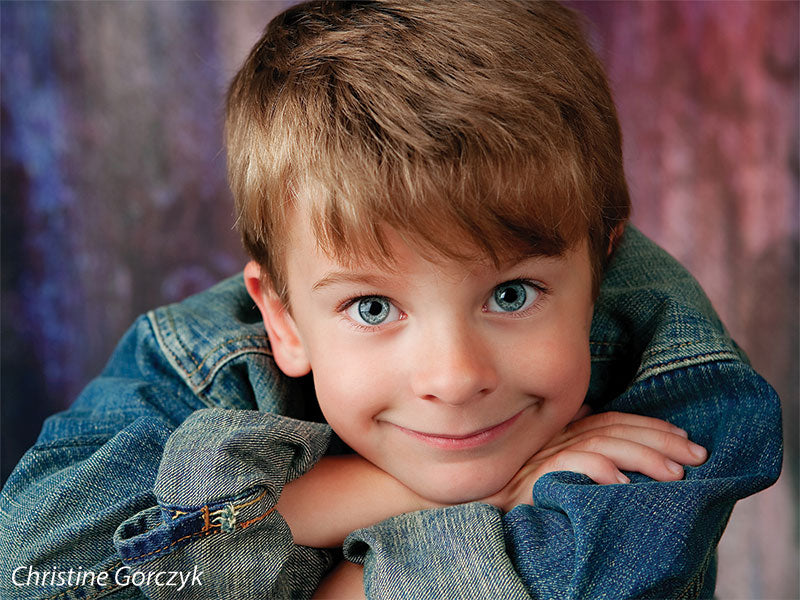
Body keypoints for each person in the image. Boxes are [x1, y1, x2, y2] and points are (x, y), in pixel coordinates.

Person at [0, 1, 781, 599]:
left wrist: (267, 528)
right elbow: (33, 572)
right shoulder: (209, 357)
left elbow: (586, 580)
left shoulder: (671, 385)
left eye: (511, 294)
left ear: (599, 273)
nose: (454, 377)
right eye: (373, 308)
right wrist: (414, 494)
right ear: (281, 319)